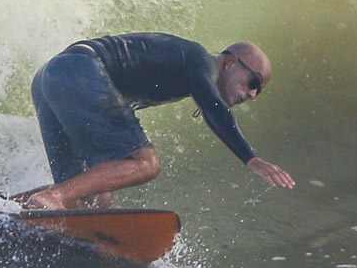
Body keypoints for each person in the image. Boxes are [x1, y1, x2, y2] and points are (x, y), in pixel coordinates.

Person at [19, 32, 295, 210]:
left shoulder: (190, 69)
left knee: (89, 198)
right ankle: (51, 198)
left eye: (259, 91)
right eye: (254, 82)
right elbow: (214, 108)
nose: (252, 94)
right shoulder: (202, 61)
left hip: (52, 76)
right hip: (80, 70)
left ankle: (9, 208)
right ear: (231, 62)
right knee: (145, 163)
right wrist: (251, 158)